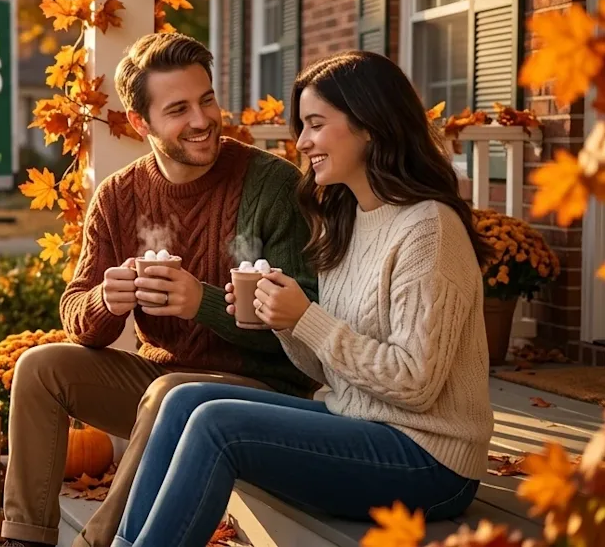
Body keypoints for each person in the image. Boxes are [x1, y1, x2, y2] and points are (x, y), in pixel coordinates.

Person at [112, 51, 495, 547]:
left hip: (430, 461)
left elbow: (416, 383)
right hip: (357, 426)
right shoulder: (346, 220)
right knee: (185, 398)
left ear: (370, 127)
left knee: (216, 423)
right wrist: (282, 320)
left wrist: (308, 318)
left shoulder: (428, 229)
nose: (303, 142)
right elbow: (325, 368)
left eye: (315, 124)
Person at [0, 32, 320, 547]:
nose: (201, 120)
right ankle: (24, 538)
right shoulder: (119, 196)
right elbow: (77, 310)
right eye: (178, 109)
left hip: (262, 393)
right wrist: (106, 301)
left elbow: (308, 327)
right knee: (39, 368)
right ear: (140, 122)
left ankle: (98, 541)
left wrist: (204, 304)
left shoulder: (271, 185)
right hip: (157, 381)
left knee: (173, 392)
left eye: (207, 99)